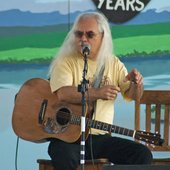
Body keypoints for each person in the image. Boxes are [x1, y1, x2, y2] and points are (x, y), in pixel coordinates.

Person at [48, 11, 153, 170]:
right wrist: (97, 93)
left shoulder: (113, 63)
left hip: (101, 138)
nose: (83, 39)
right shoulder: (65, 61)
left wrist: (136, 85)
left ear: (103, 37)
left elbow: (134, 96)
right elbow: (63, 93)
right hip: (67, 138)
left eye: (90, 35)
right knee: (62, 154)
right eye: (79, 34)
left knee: (141, 154)